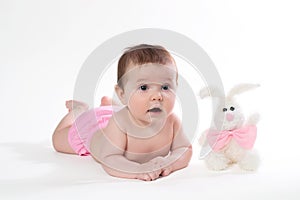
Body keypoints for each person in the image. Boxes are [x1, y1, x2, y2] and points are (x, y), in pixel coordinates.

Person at [52, 44, 193, 181]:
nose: (157, 96)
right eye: (144, 87)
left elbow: (184, 148)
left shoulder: (172, 121)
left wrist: (171, 163)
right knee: (57, 140)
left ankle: (108, 104)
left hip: (120, 111)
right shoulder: (120, 124)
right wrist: (139, 170)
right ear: (122, 94)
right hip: (92, 127)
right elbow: (109, 159)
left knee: (124, 110)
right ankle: (79, 110)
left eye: (165, 87)